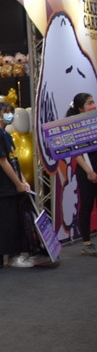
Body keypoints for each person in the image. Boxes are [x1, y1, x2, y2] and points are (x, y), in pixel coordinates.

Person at [0, 101, 35, 267]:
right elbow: (3, 161)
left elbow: (14, 159)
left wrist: (23, 181)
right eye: (6, 112)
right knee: (8, 223)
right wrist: (17, 182)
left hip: (13, 185)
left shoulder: (6, 134)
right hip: (3, 186)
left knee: (17, 221)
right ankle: (12, 257)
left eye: (11, 112)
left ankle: (20, 253)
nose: (10, 115)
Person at [66, 92, 97, 256]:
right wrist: (89, 171)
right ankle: (86, 242)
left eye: (93, 102)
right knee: (87, 206)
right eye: (89, 103)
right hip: (86, 171)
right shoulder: (75, 125)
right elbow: (76, 153)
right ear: (80, 108)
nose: (93, 105)